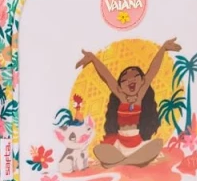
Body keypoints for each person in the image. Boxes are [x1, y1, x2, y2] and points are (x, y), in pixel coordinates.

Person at [76, 38, 181, 168]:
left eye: (135, 77)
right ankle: (132, 160)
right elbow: (107, 77)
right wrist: (93, 58)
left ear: (142, 82)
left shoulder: (139, 98)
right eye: (125, 80)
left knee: (157, 144)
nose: (130, 80)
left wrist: (163, 49)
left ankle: (122, 161)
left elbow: (152, 72)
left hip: (137, 143)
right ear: (120, 87)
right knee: (99, 149)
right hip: (119, 144)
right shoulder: (122, 97)